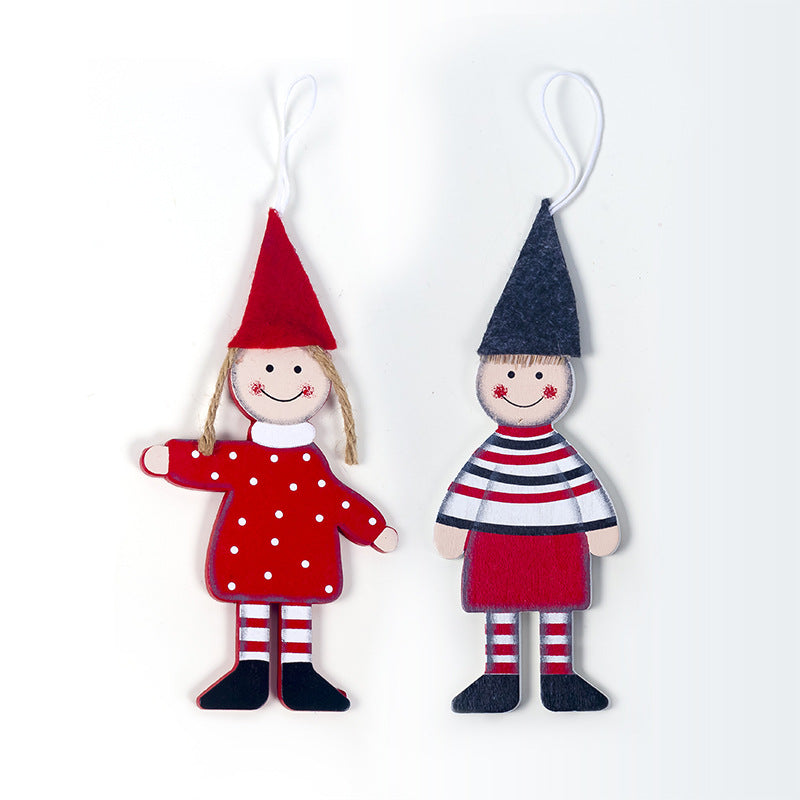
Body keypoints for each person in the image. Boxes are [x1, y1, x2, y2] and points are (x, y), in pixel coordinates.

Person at [142, 210, 397, 711]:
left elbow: (335, 498)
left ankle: (298, 675)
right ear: (241, 375)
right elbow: (211, 461)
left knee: (297, 608)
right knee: (255, 609)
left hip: (299, 554)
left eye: (298, 369)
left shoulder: (310, 464)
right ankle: (251, 673)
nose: (284, 381)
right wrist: (171, 458)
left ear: (320, 377)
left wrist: (370, 527)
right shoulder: (247, 457)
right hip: (256, 554)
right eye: (270, 368)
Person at [434, 200, 619, 713]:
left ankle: (560, 678)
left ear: (559, 378)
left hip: (555, 543)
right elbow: (471, 487)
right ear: (490, 376)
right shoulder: (492, 454)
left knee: (556, 607)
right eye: (511, 373)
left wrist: (600, 528)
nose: (524, 387)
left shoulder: (560, 452)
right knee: (502, 608)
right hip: (499, 542)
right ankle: (500, 677)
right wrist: (453, 528)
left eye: (539, 374)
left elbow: (582, 486)